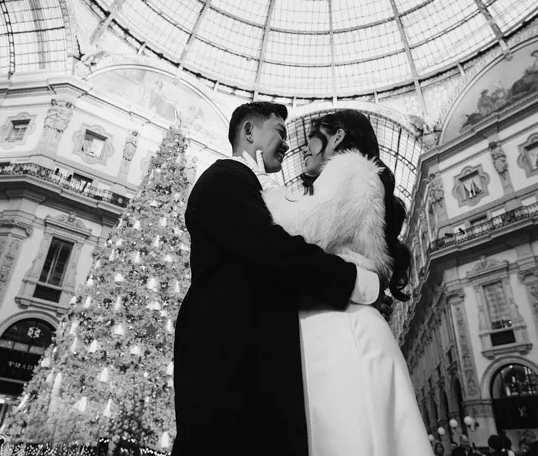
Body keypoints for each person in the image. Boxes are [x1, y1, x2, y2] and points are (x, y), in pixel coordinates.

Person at [172, 102, 385, 456]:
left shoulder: (251, 188)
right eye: (281, 132)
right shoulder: (224, 178)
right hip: (226, 361)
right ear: (250, 132)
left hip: (245, 364)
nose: (288, 144)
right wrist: (350, 279)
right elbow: (271, 249)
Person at [261, 110, 431, 456]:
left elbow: (305, 232)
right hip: (340, 320)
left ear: (336, 137)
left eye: (311, 137)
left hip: (343, 329)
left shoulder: (352, 170)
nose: (302, 148)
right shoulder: (343, 180)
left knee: (348, 434)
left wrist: (265, 198)